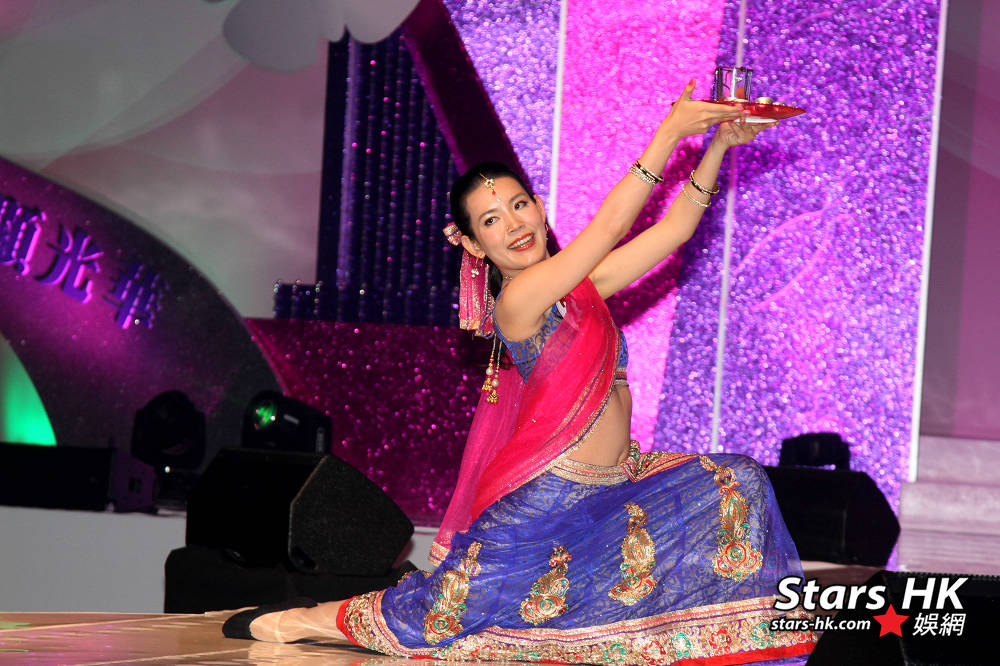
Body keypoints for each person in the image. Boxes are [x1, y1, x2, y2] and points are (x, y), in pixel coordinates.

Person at [223, 80, 817, 664]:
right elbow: (608, 229)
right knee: (434, 618)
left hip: (616, 488)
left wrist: (717, 147)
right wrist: (669, 133)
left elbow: (674, 230)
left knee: (738, 479)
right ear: (475, 246)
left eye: (517, 205)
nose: (512, 224)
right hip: (550, 498)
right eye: (490, 221)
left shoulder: (582, 287)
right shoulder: (517, 301)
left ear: (538, 205)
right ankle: (304, 619)